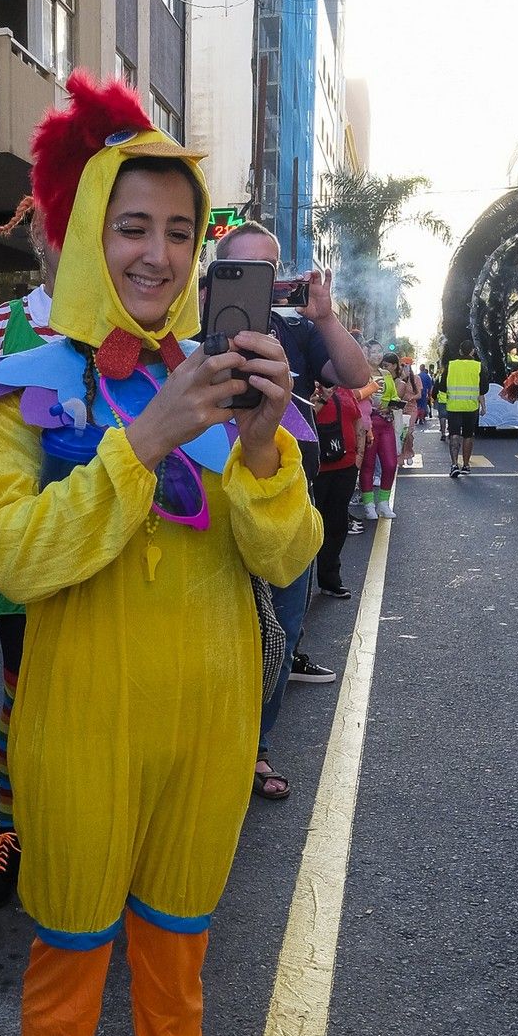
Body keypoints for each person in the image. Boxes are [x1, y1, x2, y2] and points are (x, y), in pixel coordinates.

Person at [0, 72, 321, 1036]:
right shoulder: (21, 388)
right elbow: (8, 555)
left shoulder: (231, 381)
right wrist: (141, 441)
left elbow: (285, 555)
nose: (155, 255)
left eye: (177, 231)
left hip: (208, 727)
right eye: (131, 226)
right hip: (77, 729)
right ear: (88, 229)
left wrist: (257, 443)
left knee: (179, 953)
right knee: (72, 952)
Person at [212, 223, 371, 786]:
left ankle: (256, 745)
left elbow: (357, 377)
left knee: (281, 626)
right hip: (213, 504)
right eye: (247, 268)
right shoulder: (199, 324)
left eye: (272, 268)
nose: (265, 281)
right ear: (218, 271)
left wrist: (325, 317)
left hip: (286, 505)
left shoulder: (299, 331)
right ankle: (209, 747)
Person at [0, 197, 59, 911]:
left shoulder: (115, 321)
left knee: (86, 694)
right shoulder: (5, 320)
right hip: (19, 533)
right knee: (21, 690)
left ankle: (74, 828)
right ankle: (11, 831)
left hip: (94, 535)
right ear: (36, 238)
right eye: (52, 225)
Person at [311, 379, 367, 598]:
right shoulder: (310, 386)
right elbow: (305, 420)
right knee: (314, 526)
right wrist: (323, 397)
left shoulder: (346, 389)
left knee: (337, 524)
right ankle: (300, 587)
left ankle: (330, 579)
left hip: (346, 466)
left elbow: (357, 421)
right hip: (318, 469)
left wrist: (359, 456)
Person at [358, 351, 414, 519]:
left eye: (379, 351)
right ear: (366, 354)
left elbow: (394, 396)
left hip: (386, 423)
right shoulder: (360, 375)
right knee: (368, 465)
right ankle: (368, 505)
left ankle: (383, 503)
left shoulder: (386, 375)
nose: (377, 355)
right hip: (369, 424)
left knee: (390, 464)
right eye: (373, 351)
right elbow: (357, 396)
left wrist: (393, 405)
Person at [441, 340, 489, 475]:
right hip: (471, 407)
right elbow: (484, 388)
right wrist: (483, 405)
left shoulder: (451, 366)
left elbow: (442, 387)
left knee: (454, 434)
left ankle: (454, 464)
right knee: (468, 435)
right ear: (473, 351)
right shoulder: (479, 367)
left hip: (454, 406)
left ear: (460, 351)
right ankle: (466, 465)